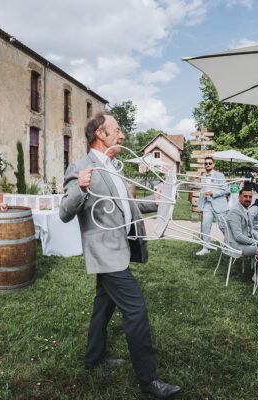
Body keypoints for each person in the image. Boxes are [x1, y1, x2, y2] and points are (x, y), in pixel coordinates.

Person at [59, 113, 180, 398]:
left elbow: (125, 204)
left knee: (103, 306)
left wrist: (154, 201)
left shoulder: (113, 166)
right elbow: (65, 212)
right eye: (117, 130)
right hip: (105, 252)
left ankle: (93, 358)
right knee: (135, 310)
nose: (122, 136)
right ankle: (149, 380)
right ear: (100, 134)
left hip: (120, 248)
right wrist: (81, 187)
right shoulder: (80, 168)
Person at [196, 156, 228, 256]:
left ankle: (228, 244)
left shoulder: (219, 175)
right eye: (206, 163)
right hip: (207, 205)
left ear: (213, 164)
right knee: (205, 225)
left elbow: (226, 190)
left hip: (219, 204)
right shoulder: (203, 177)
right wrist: (200, 207)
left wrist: (212, 193)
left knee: (223, 226)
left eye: (210, 163)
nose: (208, 165)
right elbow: (202, 193)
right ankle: (206, 247)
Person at [225, 186, 258, 258]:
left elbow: (249, 229)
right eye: (245, 196)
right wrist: (254, 242)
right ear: (239, 197)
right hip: (236, 246)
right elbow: (238, 236)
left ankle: (257, 268)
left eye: (250, 197)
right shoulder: (235, 211)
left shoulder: (245, 209)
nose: (248, 199)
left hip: (244, 243)